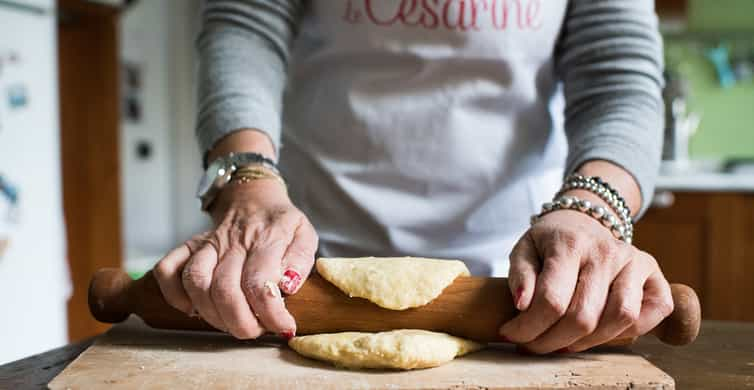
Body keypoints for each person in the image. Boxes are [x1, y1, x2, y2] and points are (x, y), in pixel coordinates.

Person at [154, 0, 673, 354]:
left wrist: (593, 209)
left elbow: (618, 74)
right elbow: (246, 24)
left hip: (522, 279)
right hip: (300, 269)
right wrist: (248, 177)